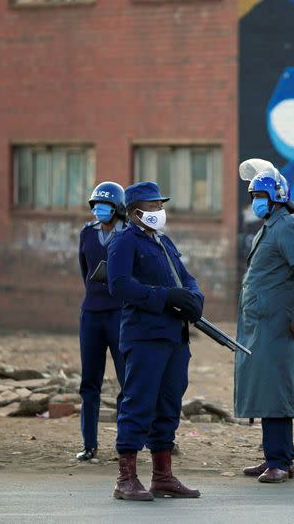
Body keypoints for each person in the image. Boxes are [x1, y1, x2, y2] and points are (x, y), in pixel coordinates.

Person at [107, 181, 205, 501]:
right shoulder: (124, 242)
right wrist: (165, 297)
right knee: (138, 403)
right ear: (135, 211)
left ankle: (162, 476)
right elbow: (120, 285)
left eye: (161, 205)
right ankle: (127, 478)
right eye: (152, 206)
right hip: (145, 335)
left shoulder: (163, 242)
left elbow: (185, 278)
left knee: (168, 404)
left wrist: (194, 298)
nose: (159, 211)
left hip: (175, 337)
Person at [235, 160, 294, 484]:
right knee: (267, 391)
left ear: (277, 197)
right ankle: (275, 455)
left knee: (275, 393)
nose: (255, 200)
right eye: (253, 194)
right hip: (263, 325)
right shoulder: (272, 226)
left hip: (278, 325)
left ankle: (280, 462)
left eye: (261, 195)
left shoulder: (286, 227)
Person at [76, 181, 128, 461]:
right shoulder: (86, 233)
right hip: (91, 315)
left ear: (118, 208)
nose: (99, 210)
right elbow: (83, 270)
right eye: (96, 205)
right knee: (89, 383)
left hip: (120, 314)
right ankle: (89, 444)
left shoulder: (129, 234)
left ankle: (126, 444)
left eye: (105, 205)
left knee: (126, 380)